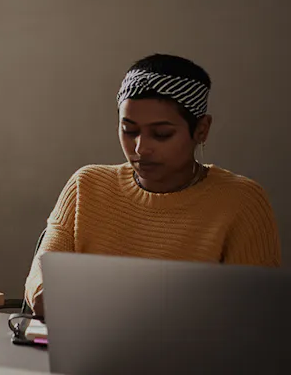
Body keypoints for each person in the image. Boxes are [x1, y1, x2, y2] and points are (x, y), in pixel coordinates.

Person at [25, 54, 280, 315]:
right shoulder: (86, 185)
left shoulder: (240, 201)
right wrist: (45, 292)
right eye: (129, 130)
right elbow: (41, 274)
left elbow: (256, 312)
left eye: (161, 134)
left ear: (202, 130)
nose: (141, 148)